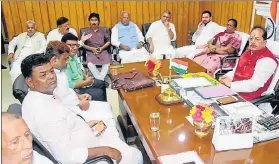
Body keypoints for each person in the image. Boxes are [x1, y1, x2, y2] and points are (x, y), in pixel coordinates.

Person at [21, 54, 143, 164]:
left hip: (83, 139)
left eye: (51, 71)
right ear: (30, 81)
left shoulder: (44, 95)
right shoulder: (42, 110)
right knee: (136, 155)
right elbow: (65, 156)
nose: (51, 77)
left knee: (110, 127)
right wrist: (106, 150)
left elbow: (62, 125)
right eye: (43, 75)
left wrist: (86, 126)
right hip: (87, 155)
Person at [46, 41, 115, 125]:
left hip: (77, 103)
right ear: (54, 60)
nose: (68, 62)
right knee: (106, 118)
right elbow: (59, 106)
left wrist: (80, 96)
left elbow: (67, 91)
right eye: (65, 59)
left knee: (107, 108)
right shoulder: (50, 80)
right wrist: (79, 105)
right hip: (72, 114)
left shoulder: (60, 72)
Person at [219, 26, 278, 102]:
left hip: (248, 98)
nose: (253, 41)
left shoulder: (267, 60)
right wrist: (226, 77)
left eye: (257, 39)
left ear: (264, 42)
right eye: (251, 38)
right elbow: (236, 71)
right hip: (233, 91)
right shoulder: (247, 52)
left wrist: (231, 84)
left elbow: (254, 84)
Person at [61, 33, 107, 101]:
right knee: (99, 93)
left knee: (102, 83)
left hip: (82, 82)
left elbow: (79, 70)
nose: (75, 48)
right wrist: (86, 82)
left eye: (76, 45)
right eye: (70, 45)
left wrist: (86, 77)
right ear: (63, 46)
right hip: (76, 90)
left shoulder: (73, 54)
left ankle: (104, 107)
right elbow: (70, 85)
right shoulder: (64, 61)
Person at [83, 12, 111, 81]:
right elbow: (82, 44)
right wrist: (91, 49)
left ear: (98, 21)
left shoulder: (103, 30)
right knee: (89, 64)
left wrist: (102, 48)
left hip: (102, 50)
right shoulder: (86, 31)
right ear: (89, 21)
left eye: (95, 20)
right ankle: (101, 79)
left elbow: (108, 41)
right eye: (92, 20)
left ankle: (99, 79)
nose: (94, 22)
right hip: (91, 52)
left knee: (107, 63)